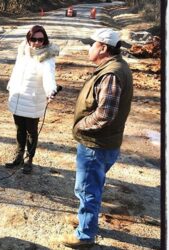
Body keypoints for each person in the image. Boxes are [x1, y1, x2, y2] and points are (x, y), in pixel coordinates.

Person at [60, 28, 133, 248]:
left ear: (102, 47)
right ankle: (85, 219)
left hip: (96, 145)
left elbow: (105, 114)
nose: (88, 48)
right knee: (91, 187)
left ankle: (84, 235)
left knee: (88, 189)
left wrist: (81, 126)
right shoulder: (114, 67)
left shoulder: (111, 74)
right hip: (104, 143)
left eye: (91, 44)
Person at [5, 25, 59, 174]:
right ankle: (18, 156)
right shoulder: (23, 51)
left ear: (45, 40)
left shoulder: (46, 57)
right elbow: (16, 71)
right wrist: (11, 86)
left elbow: (49, 77)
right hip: (18, 97)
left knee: (31, 131)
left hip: (33, 100)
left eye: (40, 39)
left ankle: (29, 159)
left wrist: (50, 90)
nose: (37, 42)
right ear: (28, 39)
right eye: (33, 39)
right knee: (19, 129)